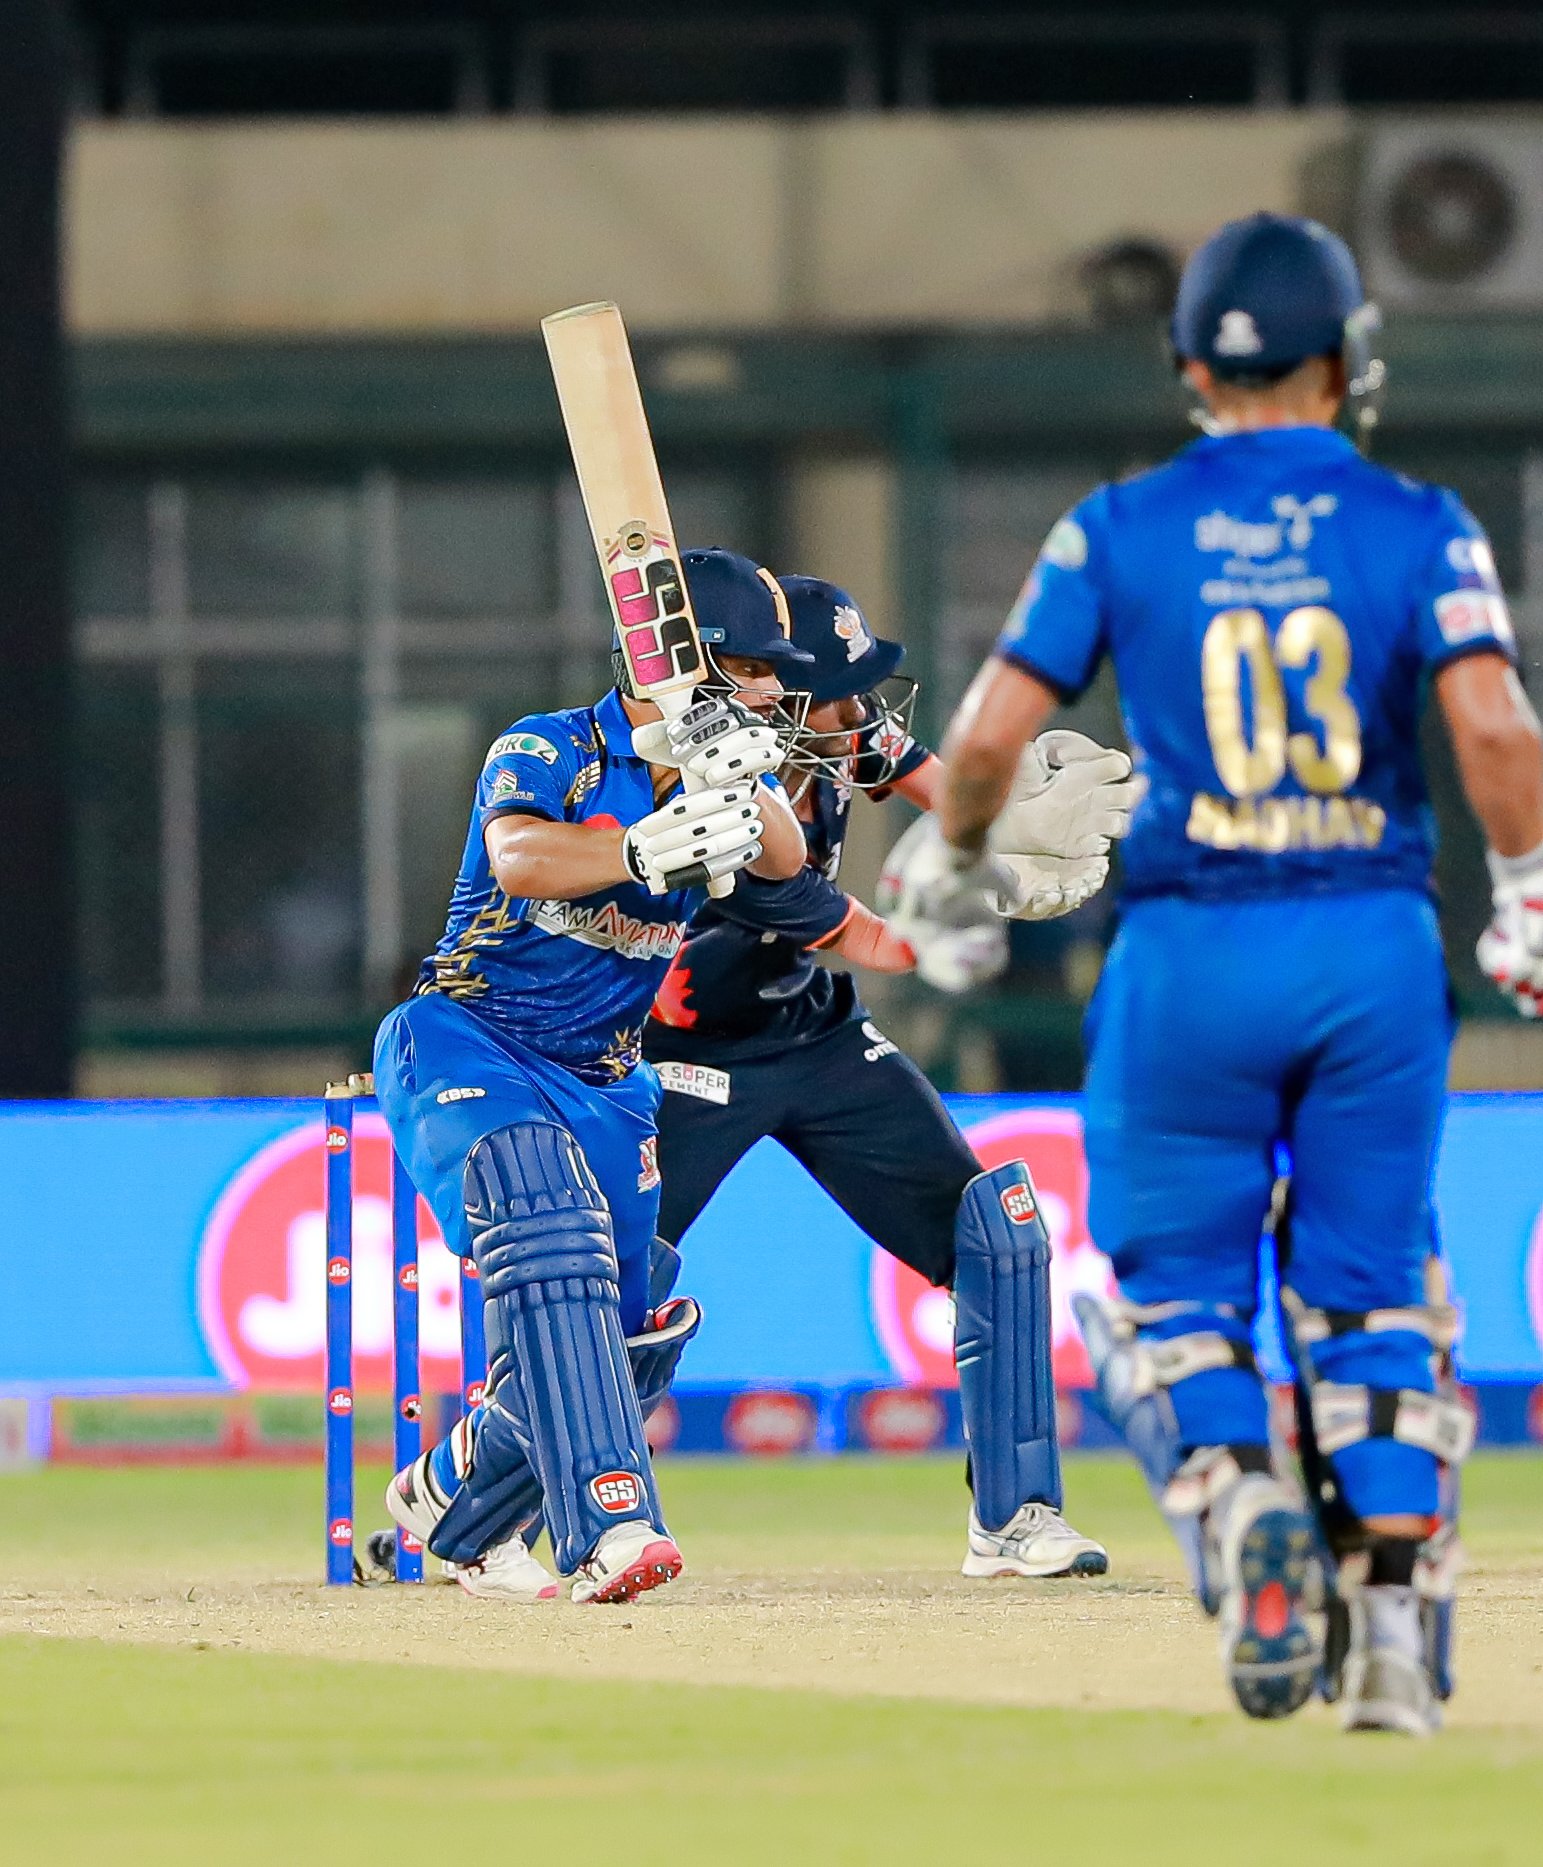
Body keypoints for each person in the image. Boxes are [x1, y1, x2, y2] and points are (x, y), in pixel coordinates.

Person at [886, 212, 1543, 1734]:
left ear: (1188, 366)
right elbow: (1496, 733)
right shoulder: (1419, 520)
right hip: (1366, 944)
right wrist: (1519, 893)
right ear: (1341, 360)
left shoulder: (1115, 522)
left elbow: (983, 742)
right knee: (1371, 1293)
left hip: (1185, 950)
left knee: (1176, 1290)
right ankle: (1385, 1637)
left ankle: (1238, 1494)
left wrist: (961, 868)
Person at [645, 573, 1135, 1578]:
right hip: (679, 1066)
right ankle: (477, 1492)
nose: (861, 712)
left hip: (815, 1040)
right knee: (599, 1289)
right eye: (840, 691)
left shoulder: (839, 738)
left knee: (990, 1236)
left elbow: (944, 794)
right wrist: (964, 909)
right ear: (770, 697)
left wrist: (1002, 836)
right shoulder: (710, 803)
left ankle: (1015, 1516)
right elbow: (863, 933)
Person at [375, 547, 812, 1605]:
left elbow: (787, 864)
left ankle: (454, 1503)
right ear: (687, 658)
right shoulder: (550, 746)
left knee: (628, 1327)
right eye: (752, 668)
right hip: (470, 1039)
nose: (772, 690)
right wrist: (641, 850)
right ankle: (612, 1524)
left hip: (610, 1080)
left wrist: (734, 775)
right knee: (545, 1217)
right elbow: (520, 858)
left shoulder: (719, 769)